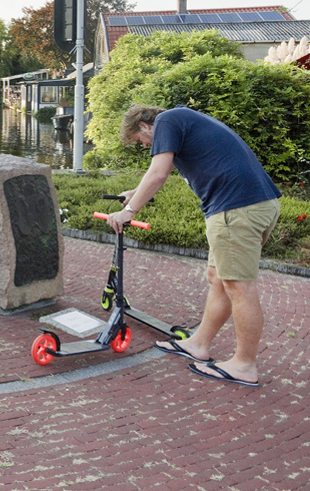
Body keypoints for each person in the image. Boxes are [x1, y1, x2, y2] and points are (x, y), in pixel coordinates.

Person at [106, 104, 281, 388]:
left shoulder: (166, 121)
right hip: (249, 204)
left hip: (236, 209)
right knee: (219, 280)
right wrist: (134, 194)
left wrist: (130, 212)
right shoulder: (182, 120)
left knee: (239, 286)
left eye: (142, 141)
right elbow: (161, 171)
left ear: (144, 126)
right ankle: (198, 344)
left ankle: (244, 365)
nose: (147, 146)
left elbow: (158, 172)